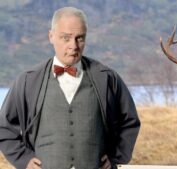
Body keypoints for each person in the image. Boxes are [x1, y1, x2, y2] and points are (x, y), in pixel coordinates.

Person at [0, 6, 140, 169]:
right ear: (51, 36)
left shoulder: (108, 78)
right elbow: (4, 127)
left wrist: (116, 157)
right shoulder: (27, 81)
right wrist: (24, 160)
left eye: (79, 38)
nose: (73, 46)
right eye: (66, 38)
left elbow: (129, 121)